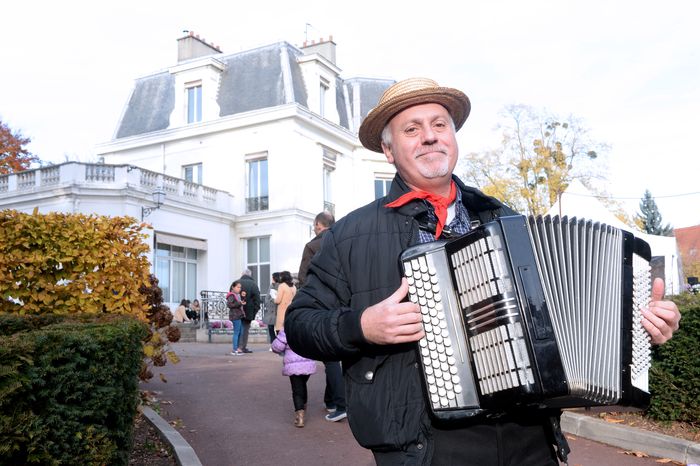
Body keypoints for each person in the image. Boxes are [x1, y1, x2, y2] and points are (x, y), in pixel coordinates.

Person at [284, 78, 682, 465]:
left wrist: (638, 327)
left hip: (530, 436)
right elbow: (301, 324)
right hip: (426, 445)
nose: (429, 136)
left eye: (440, 125)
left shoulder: (506, 219)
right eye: (411, 128)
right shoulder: (349, 235)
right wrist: (362, 326)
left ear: (453, 138)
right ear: (389, 151)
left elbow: (571, 312)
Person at [298, 211, 347, 422]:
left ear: (318, 225)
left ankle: (341, 403)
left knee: (330, 357)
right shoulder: (344, 240)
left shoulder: (312, 246)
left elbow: (304, 278)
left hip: (323, 305)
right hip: (346, 302)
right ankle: (331, 400)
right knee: (339, 353)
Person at [271, 328, 318, 428]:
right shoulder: (309, 328)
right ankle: (303, 407)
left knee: (297, 390)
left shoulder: (288, 329)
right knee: (302, 385)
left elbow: (277, 347)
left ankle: (300, 416)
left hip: (293, 365)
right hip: (308, 363)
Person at [238, 269, 261, 354]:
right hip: (248, 310)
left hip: (236, 310)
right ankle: (242, 347)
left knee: (238, 329)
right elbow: (257, 299)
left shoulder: (236, 283)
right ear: (250, 275)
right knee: (245, 329)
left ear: (242, 274)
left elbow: (230, 296)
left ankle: (237, 347)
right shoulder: (253, 284)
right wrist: (255, 310)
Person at [226, 281, 246, 355]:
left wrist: (242, 300)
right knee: (237, 332)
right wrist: (240, 303)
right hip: (235, 316)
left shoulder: (236, 295)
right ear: (233, 287)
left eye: (240, 287)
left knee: (241, 331)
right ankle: (235, 349)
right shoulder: (231, 295)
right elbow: (230, 304)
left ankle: (237, 348)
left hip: (238, 315)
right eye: (238, 287)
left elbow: (239, 302)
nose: (239, 289)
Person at [264, 273, 281, 347]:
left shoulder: (281, 286)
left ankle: (278, 344)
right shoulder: (271, 286)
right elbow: (267, 298)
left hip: (278, 309)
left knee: (278, 328)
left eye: (272, 278)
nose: (272, 279)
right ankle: (274, 343)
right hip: (271, 309)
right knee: (271, 327)